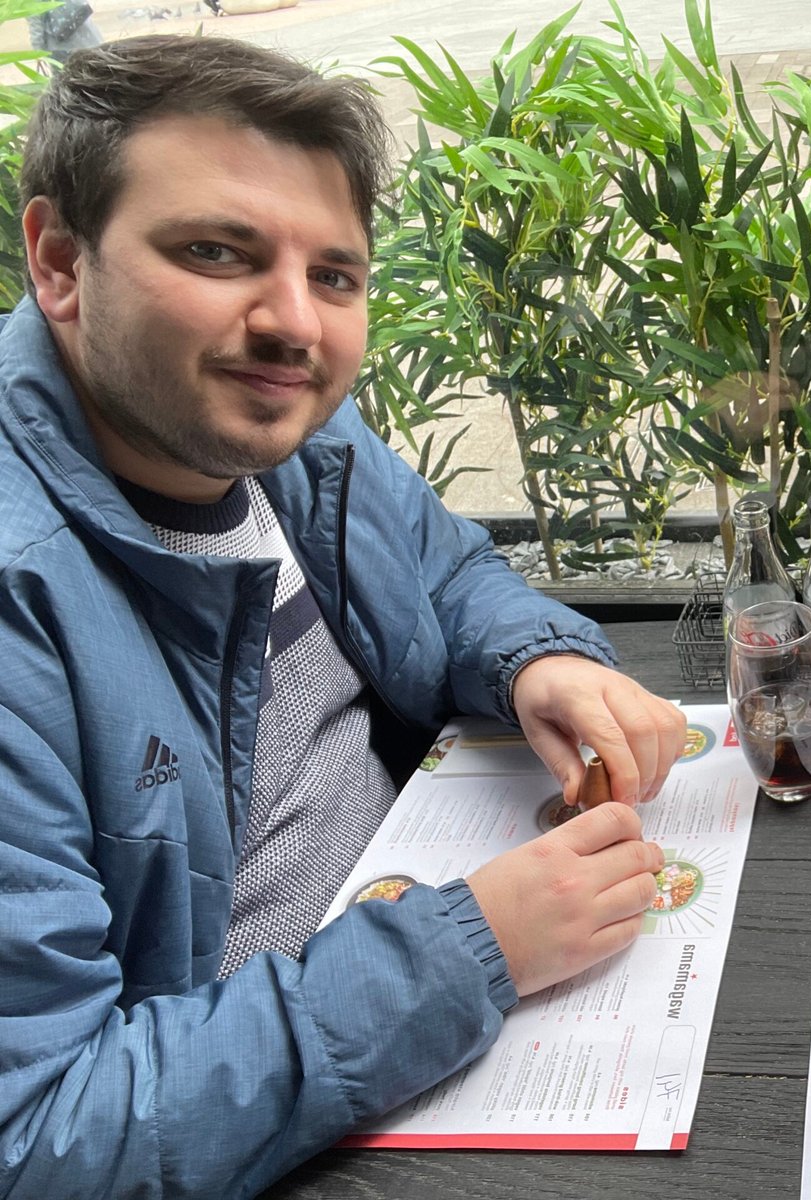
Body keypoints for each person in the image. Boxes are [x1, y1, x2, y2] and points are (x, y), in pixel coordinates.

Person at [0, 35, 688, 1197]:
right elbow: (41, 1135)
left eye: (334, 276)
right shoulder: (26, 600)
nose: (295, 326)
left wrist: (536, 663)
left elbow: (445, 570)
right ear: (61, 262)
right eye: (216, 252)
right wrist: (469, 950)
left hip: (439, 953)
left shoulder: (286, 434)